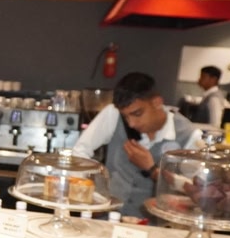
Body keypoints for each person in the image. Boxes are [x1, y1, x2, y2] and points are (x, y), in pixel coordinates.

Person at [73, 72, 203, 218]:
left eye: (137, 113)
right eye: (125, 116)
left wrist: (152, 169)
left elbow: (192, 190)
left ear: (157, 102)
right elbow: (80, 151)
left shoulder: (189, 135)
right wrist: (95, 192)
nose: (131, 123)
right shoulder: (113, 113)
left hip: (155, 223)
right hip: (109, 217)